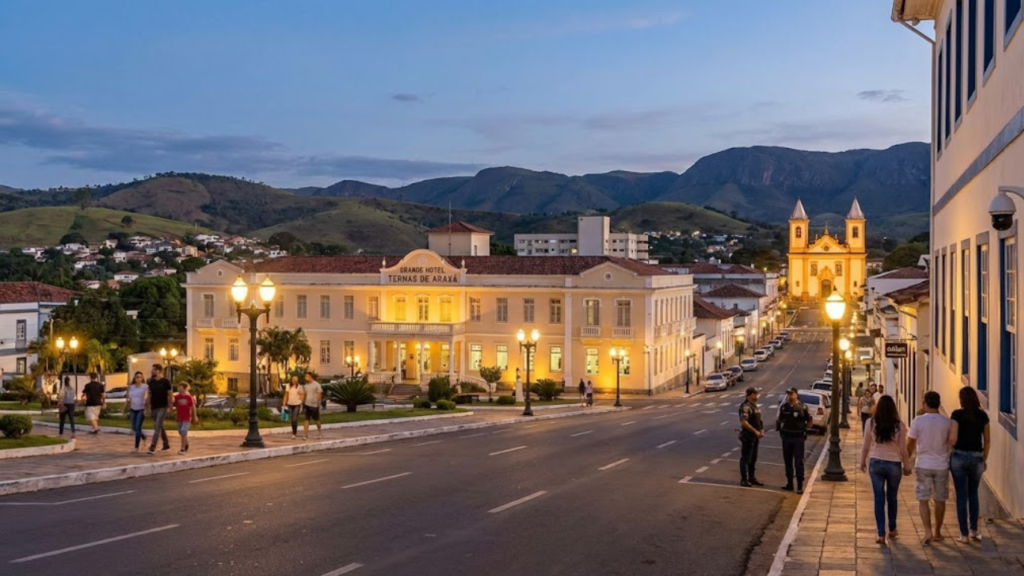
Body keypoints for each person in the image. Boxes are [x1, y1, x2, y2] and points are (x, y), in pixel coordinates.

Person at [860, 395, 912, 545]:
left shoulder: (871, 423)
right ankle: (892, 528)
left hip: (876, 463)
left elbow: (866, 445)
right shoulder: (899, 425)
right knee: (892, 497)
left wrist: (862, 461)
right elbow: (902, 448)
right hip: (894, 464)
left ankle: (881, 534)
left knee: (878, 498)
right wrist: (907, 465)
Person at [907, 391, 952, 544]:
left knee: (923, 499)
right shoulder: (946, 422)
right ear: (939, 404)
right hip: (941, 465)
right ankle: (937, 531)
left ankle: (927, 531)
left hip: (923, 465)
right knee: (940, 499)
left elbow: (910, 443)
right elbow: (951, 441)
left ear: (925, 403)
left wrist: (906, 461)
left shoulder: (918, 421)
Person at [948, 386, 990, 544]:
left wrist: (947, 451)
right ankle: (973, 530)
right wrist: (984, 459)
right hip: (976, 457)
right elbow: (987, 440)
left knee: (961, 496)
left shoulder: (956, 415)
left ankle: (963, 535)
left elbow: (953, 438)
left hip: (959, 457)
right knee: (973, 494)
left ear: (962, 399)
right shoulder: (983, 416)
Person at [776, 387, 812, 493]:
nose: (790, 396)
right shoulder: (784, 407)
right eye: (788, 394)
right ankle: (790, 484)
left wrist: (805, 429)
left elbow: (809, 420)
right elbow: (780, 420)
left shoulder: (802, 407)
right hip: (787, 436)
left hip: (798, 437)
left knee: (798, 462)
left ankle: (800, 486)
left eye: (791, 394)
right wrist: (781, 431)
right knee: (788, 461)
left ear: (796, 394)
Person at [738, 387, 764, 488]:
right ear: (751, 395)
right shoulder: (745, 406)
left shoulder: (754, 406)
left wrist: (761, 430)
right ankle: (744, 479)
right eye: (756, 394)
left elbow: (759, 420)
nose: (757, 396)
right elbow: (744, 422)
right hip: (748, 436)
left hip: (755, 436)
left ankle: (751, 477)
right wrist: (755, 431)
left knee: (753, 458)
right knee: (746, 458)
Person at [146, 364, 174, 455]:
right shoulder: (151, 382)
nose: (152, 371)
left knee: (157, 426)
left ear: (158, 370)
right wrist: (147, 407)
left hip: (163, 406)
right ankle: (166, 444)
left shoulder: (165, 381)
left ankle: (152, 446)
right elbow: (149, 395)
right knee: (160, 426)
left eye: (153, 370)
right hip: (154, 407)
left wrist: (170, 407)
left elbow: (170, 394)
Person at [122, 371, 149, 452]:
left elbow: (147, 398)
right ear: (134, 378)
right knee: (134, 427)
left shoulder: (145, 387)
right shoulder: (131, 387)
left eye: (140, 377)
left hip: (141, 408)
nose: (138, 379)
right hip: (133, 409)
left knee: (138, 427)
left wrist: (146, 408)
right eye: (137, 377)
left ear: (142, 378)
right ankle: (144, 437)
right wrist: (125, 408)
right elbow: (128, 399)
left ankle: (136, 447)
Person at [173, 383, 199, 455]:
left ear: (184, 389)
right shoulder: (176, 397)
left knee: (183, 430)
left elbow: (193, 407)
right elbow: (173, 404)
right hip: (179, 417)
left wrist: (195, 416)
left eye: (181, 387)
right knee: (180, 432)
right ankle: (186, 443)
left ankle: (183, 448)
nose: (179, 389)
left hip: (187, 417)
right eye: (178, 387)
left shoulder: (189, 397)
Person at [302, 372, 323, 440]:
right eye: (305, 376)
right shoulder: (305, 386)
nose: (306, 377)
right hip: (307, 404)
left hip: (314, 405)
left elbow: (319, 395)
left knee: (317, 420)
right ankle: (306, 435)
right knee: (306, 419)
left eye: (307, 376)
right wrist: (303, 403)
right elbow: (305, 395)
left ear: (311, 377)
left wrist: (318, 403)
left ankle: (319, 432)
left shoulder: (316, 385)